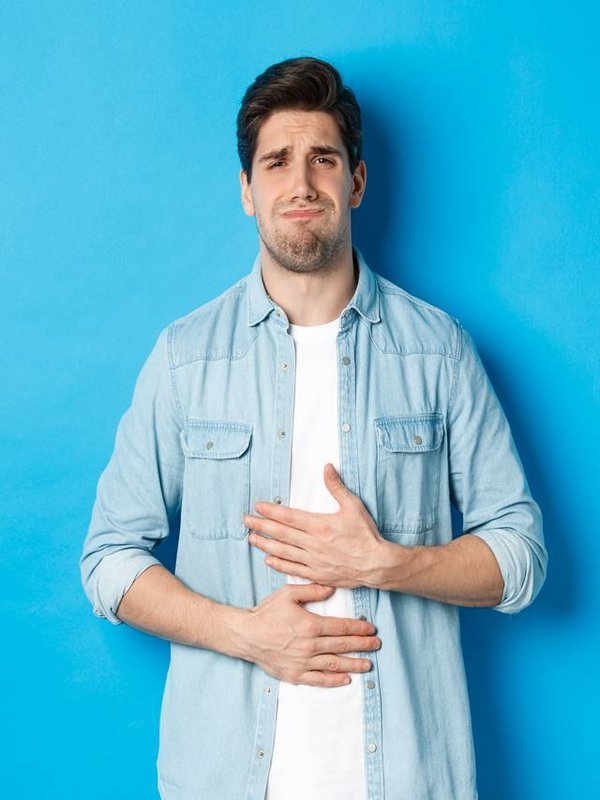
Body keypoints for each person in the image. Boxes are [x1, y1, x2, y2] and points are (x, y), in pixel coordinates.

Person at [80, 56, 547, 800]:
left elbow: (520, 557)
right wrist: (244, 634)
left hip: (406, 779)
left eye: (323, 159)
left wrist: (385, 563)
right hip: (223, 779)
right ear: (247, 190)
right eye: (277, 162)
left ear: (356, 182)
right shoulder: (185, 357)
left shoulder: (438, 350)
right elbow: (107, 561)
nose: (300, 184)